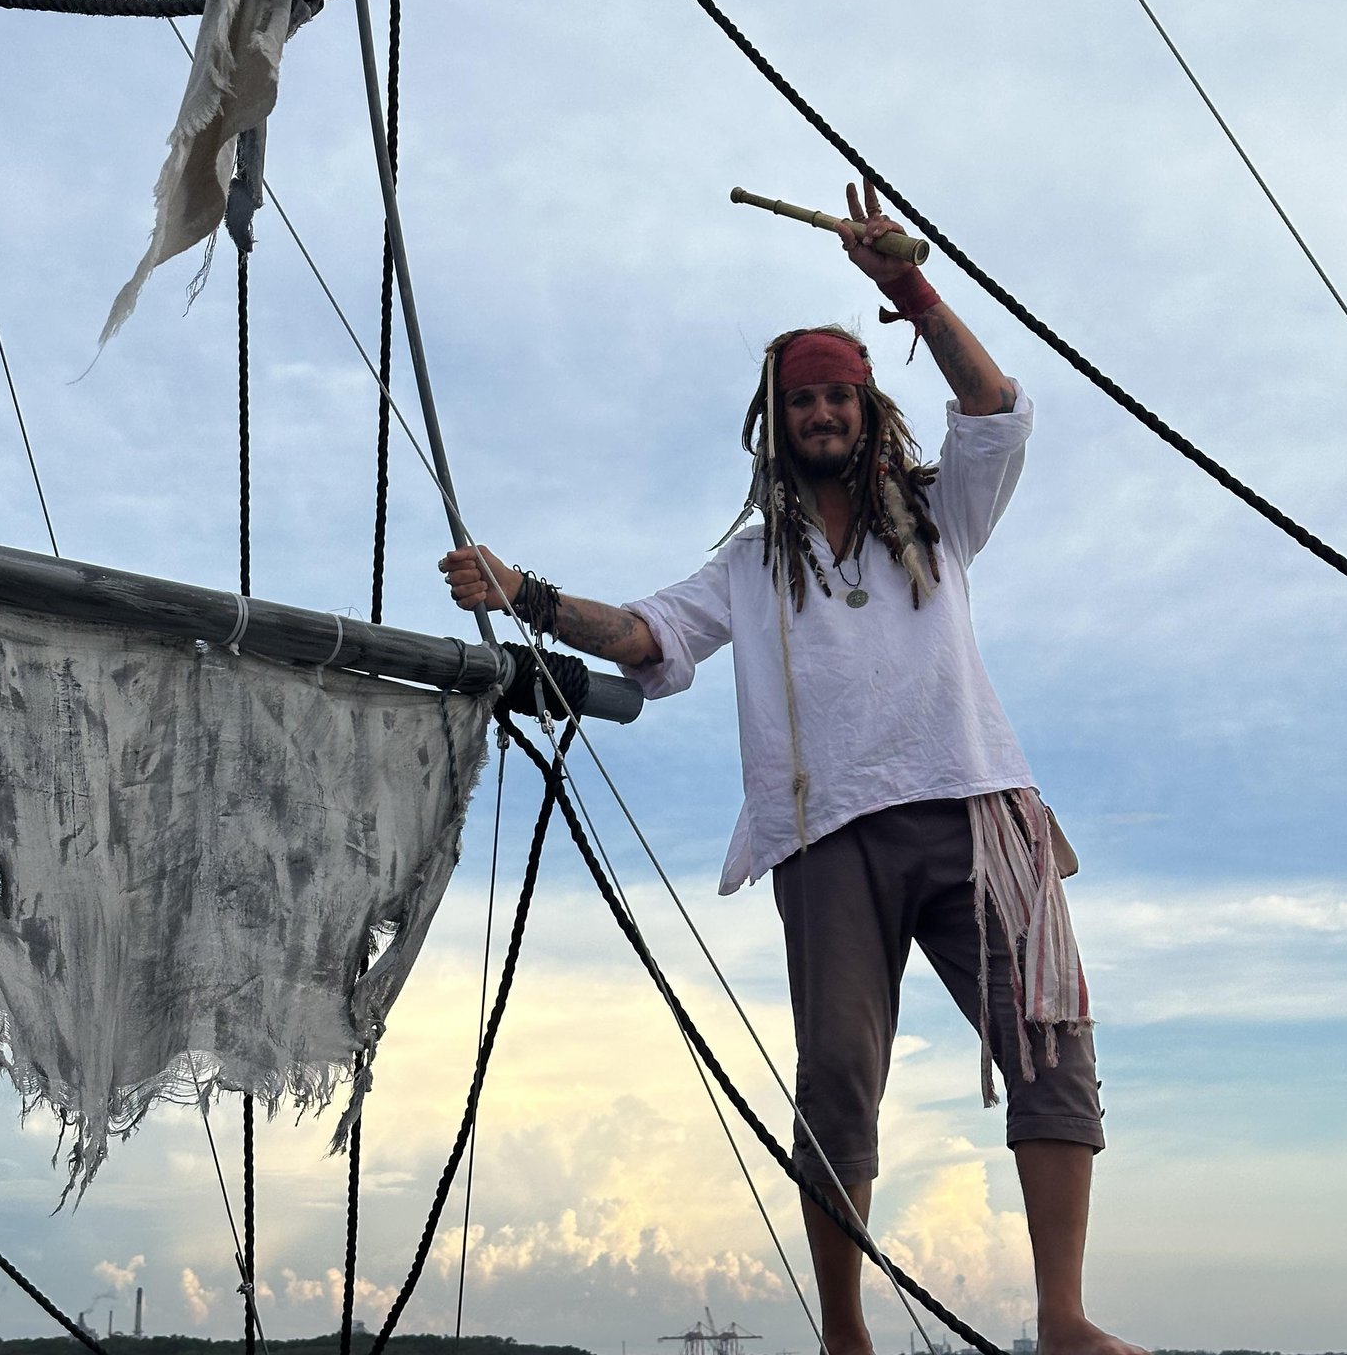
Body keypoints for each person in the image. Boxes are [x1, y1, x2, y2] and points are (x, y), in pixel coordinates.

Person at [440, 179, 1145, 1355]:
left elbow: (997, 408)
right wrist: (528, 596)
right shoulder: (748, 567)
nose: (822, 410)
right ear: (776, 422)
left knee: (1051, 1042)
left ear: (869, 410)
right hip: (823, 844)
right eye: (802, 398)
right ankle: (844, 1333)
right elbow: (642, 637)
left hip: (975, 813)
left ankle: (1063, 1317)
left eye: (839, 393)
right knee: (837, 1080)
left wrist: (905, 289)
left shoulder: (938, 513)